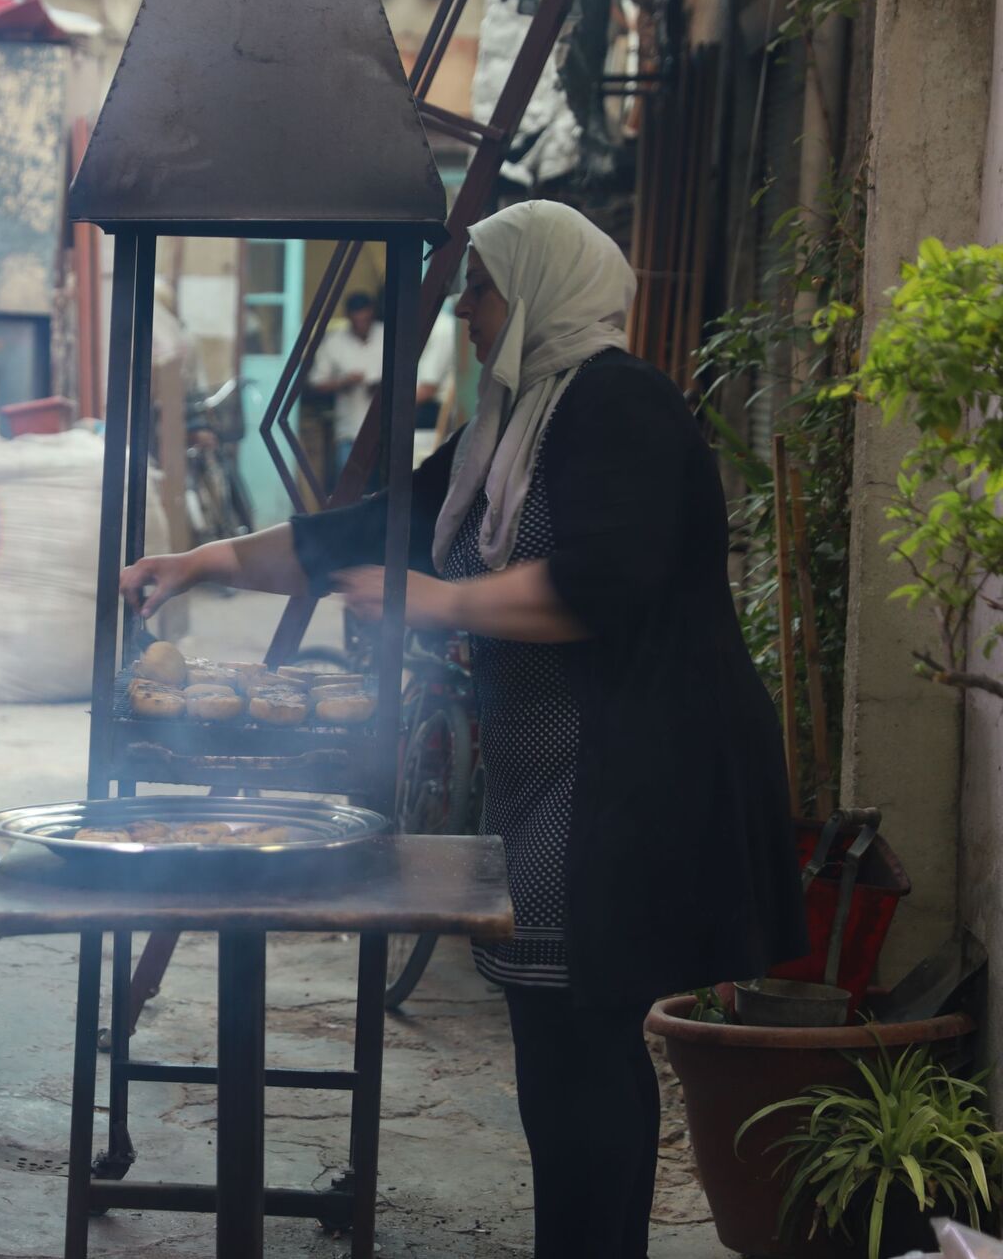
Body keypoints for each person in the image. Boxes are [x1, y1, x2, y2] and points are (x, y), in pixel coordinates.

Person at [120, 201, 805, 1259]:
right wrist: (200, 562)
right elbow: (367, 535)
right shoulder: (510, 426)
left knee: (574, 1047)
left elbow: (598, 586)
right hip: (554, 775)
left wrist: (440, 605)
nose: (466, 307)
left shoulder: (619, 405)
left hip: (625, 774)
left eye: (480, 285)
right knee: (578, 1040)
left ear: (537, 285)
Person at [306, 291, 384, 477]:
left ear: (371, 313)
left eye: (365, 320)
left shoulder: (387, 335)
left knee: (384, 483)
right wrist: (344, 382)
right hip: (348, 430)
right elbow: (316, 383)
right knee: (349, 484)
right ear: (348, 317)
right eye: (357, 321)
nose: (361, 325)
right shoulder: (334, 342)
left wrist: (382, 387)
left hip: (385, 429)